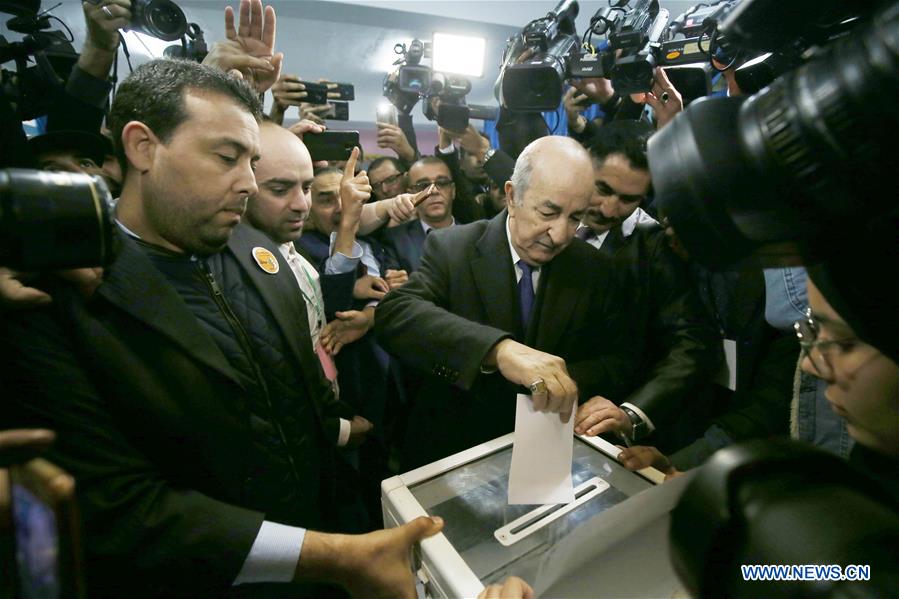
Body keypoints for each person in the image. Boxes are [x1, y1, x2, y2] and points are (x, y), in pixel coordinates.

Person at [1, 54, 440, 597]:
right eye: (227, 157)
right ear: (142, 147)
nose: (249, 184)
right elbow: (117, 507)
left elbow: (303, 398)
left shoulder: (263, 255)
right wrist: (332, 556)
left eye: (252, 162)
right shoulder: (53, 293)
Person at [375, 136, 638, 468]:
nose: (559, 234)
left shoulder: (593, 266)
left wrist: (561, 381)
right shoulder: (453, 248)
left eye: (575, 218)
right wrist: (499, 351)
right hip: (461, 451)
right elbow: (395, 315)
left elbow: (620, 357)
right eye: (548, 212)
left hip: (549, 452)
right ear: (512, 196)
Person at [572, 121, 720, 451]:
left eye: (628, 200)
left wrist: (633, 413)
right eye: (603, 189)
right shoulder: (541, 222)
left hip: (603, 431)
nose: (610, 209)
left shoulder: (653, 248)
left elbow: (691, 341)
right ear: (584, 161)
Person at [381, 157, 455, 273]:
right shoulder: (396, 240)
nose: (434, 191)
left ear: (453, 190)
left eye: (442, 183)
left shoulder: (475, 236)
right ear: (411, 194)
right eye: (423, 185)